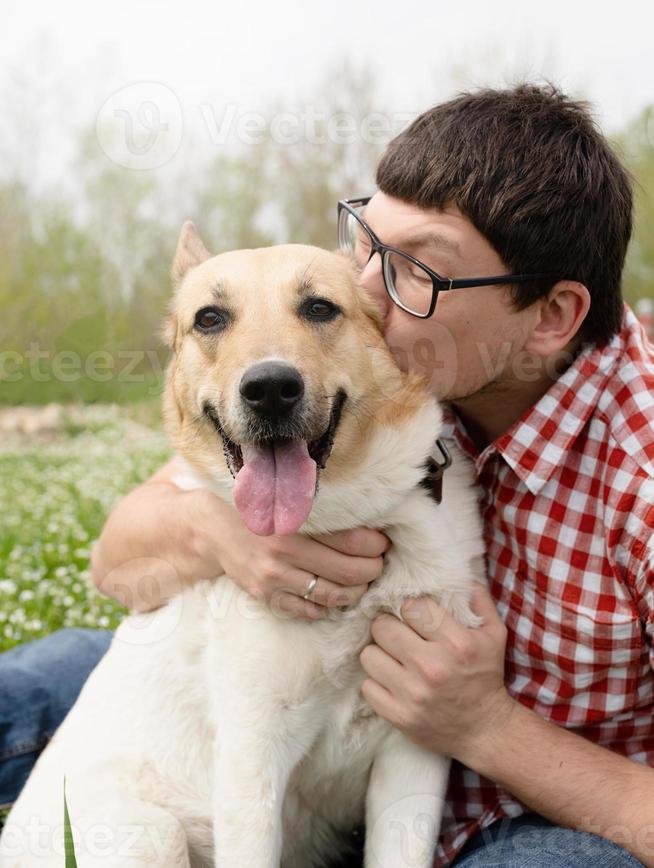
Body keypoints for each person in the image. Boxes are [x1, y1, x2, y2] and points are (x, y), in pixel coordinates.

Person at [2, 83, 653, 868]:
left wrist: (483, 726)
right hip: (280, 714)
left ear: (550, 318)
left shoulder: (637, 471)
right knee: (51, 675)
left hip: (530, 810)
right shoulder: (393, 376)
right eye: (366, 244)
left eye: (418, 270)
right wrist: (224, 535)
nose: (364, 293)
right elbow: (117, 561)